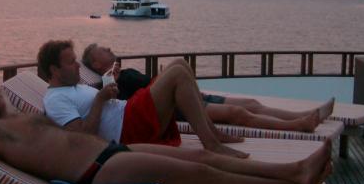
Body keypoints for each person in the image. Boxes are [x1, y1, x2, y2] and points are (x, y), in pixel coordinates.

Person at [0, 72, 332, 184]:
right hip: (95, 172)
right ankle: (292, 180)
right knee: (203, 176)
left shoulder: (26, 114)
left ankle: (294, 169)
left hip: (114, 149)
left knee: (204, 157)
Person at [39, 39, 248, 158]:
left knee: (180, 65)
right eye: (71, 63)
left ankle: (213, 132)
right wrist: (101, 99)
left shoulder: (73, 86)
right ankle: (211, 144)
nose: (77, 66)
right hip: (128, 129)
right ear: (54, 70)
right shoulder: (55, 100)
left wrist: (108, 89)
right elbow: (81, 140)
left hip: (129, 112)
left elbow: (98, 107)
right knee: (177, 74)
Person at [82, 43, 334, 133]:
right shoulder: (111, 82)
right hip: (177, 107)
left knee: (250, 104)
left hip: (184, 96)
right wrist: (111, 79)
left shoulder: (124, 72)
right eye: (104, 50)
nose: (109, 49)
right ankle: (299, 125)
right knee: (240, 115)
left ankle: (305, 116)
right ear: (96, 62)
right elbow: (122, 103)